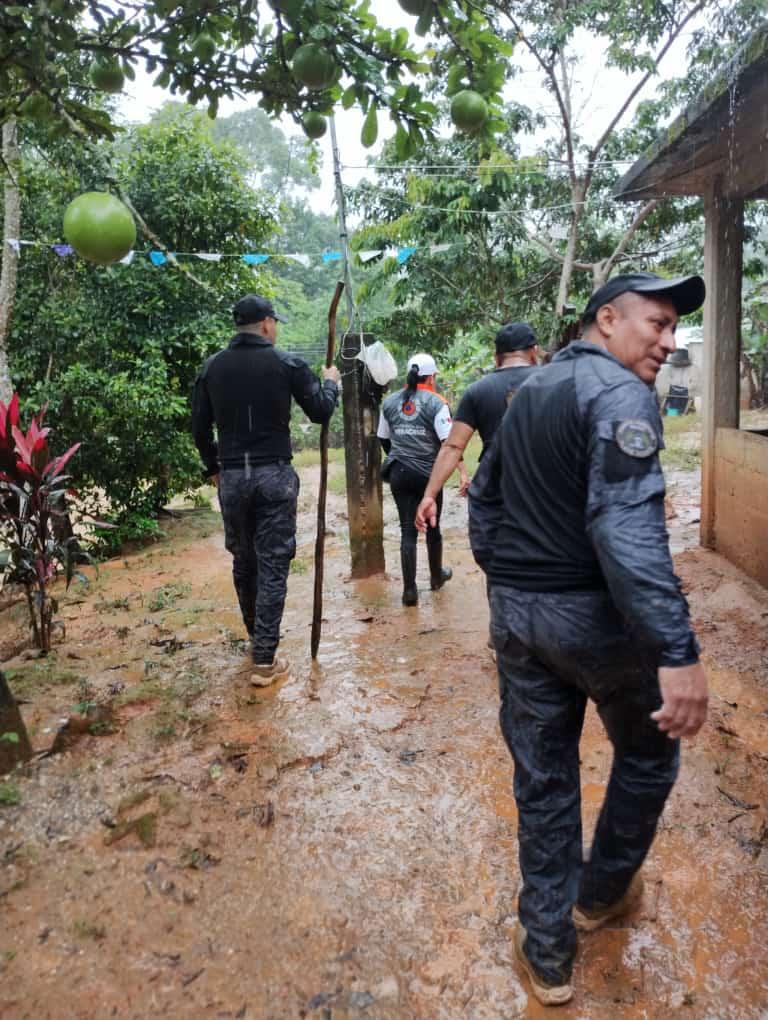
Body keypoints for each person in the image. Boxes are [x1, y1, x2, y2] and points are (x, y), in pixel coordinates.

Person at [473, 272, 709, 1006]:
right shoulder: (618, 395)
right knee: (646, 753)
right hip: (594, 621)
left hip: (519, 619)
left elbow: (483, 500)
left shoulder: (529, 391)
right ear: (607, 319)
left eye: (674, 329)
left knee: (543, 778)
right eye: (657, 323)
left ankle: (547, 956)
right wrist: (677, 651)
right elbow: (627, 531)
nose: (668, 343)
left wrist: (511, 582)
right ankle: (601, 893)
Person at [191, 294, 340, 686]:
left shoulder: (212, 369)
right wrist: (330, 382)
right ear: (267, 324)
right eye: (275, 322)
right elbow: (321, 411)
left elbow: (198, 427)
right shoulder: (286, 363)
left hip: (233, 478)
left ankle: (257, 638)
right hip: (274, 474)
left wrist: (213, 469)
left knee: (244, 560)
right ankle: (264, 660)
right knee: (273, 563)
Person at [415, 321, 540, 530]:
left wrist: (430, 495)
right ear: (534, 352)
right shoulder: (555, 382)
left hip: (496, 486)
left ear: (497, 357)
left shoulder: (478, 391)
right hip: (544, 486)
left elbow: (453, 447)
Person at [377, 353, 465, 606]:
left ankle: (409, 591)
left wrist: (399, 456)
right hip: (429, 474)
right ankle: (436, 577)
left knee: (407, 530)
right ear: (431, 376)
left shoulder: (390, 401)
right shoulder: (436, 402)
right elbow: (448, 442)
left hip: (399, 472)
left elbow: (383, 438)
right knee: (432, 528)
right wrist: (460, 471)